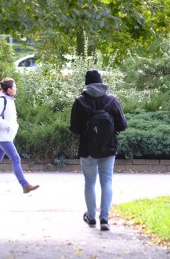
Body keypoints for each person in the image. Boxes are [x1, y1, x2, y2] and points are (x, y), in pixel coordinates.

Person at [69, 70, 127, 231]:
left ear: (86, 83)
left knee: (89, 182)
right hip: (108, 147)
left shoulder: (80, 101)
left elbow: (74, 128)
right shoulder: (112, 100)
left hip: (87, 148)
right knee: (107, 181)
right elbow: (122, 125)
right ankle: (105, 219)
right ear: (101, 82)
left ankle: (92, 217)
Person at [0, 78, 39, 194]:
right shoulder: (1, 100)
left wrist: (13, 126)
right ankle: (25, 185)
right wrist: (7, 126)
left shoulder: (9, 100)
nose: (16, 89)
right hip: (3, 136)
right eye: (14, 87)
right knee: (15, 158)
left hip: (6, 136)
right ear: (9, 89)